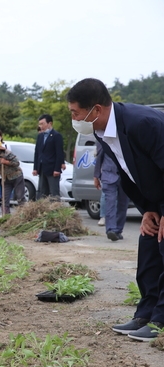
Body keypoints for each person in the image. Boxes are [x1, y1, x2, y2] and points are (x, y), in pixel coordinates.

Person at [67, 77, 164, 341]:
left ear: (96, 110)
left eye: (76, 113)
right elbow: (128, 173)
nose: (74, 119)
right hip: (154, 198)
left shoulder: (143, 123)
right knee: (148, 246)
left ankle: (161, 322)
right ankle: (146, 314)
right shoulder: (102, 131)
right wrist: (149, 210)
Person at [93, 141, 129, 241]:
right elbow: (99, 157)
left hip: (125, 176)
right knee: (110, 202)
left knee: (123, 204)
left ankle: (118, 230)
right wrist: (96, 176)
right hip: (108, 174)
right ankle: (111, 229)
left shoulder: (126, 136)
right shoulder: (102, 138)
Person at [0, 139, 26, 215]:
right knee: (4, 199)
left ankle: (23, 214)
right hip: (6, 179)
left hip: (16, 176)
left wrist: (6, 162)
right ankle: (6, 216)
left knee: (20, 196)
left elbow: (17, 163)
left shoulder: (7, 153)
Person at [32, 114, 65, 200]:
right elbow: (37, 153)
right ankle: (42, 212)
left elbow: (59, 153)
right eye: (39, 124)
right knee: (41, 193)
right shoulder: (40, 136)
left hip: (52, 168)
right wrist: (35, 168)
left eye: (42, 124)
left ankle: (56, 211)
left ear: (49, 123)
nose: (40, 126)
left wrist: (57, 169)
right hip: (42, 168)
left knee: (54, 193)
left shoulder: (56, 136)